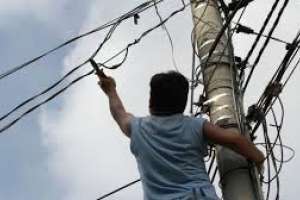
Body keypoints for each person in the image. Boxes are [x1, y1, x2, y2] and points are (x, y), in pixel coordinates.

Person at [97, 70, 264, 200]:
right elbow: (235, 140)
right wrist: (258, 158)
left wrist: (110, 90)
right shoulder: (195, 125)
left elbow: (119, 113)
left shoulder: (137, 128)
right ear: (182, 104)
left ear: (150, 102)